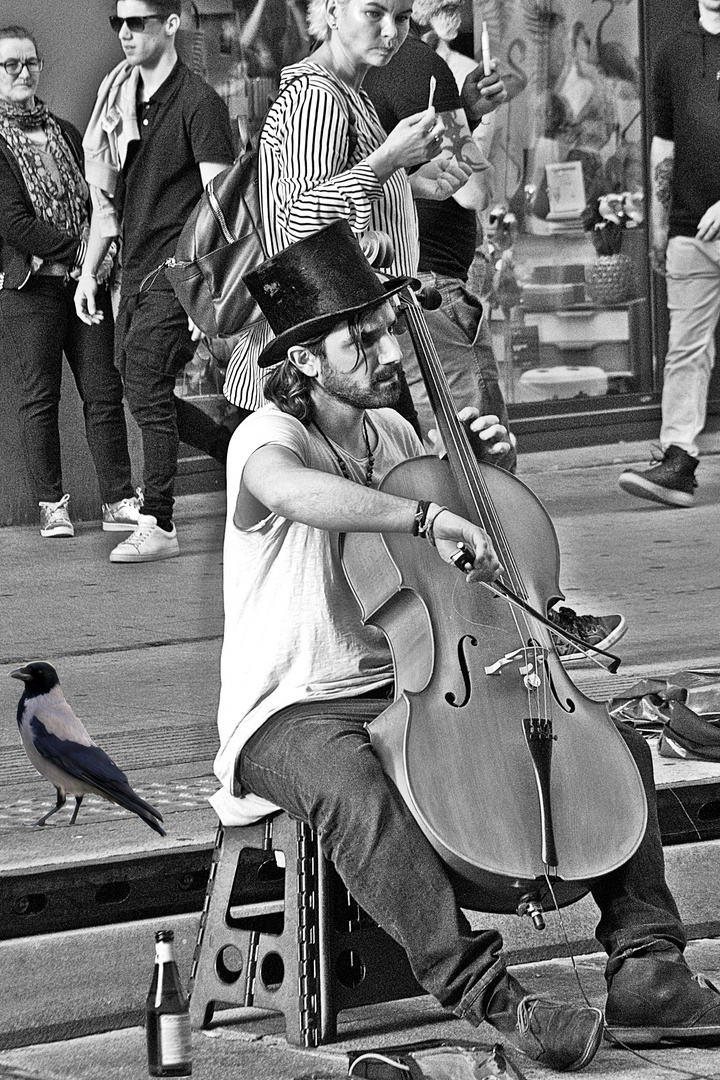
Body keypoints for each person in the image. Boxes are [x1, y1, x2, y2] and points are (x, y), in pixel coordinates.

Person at [211, 221, 720, 1071]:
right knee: (351, 784)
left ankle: (647, 969)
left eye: (385, 331)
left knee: (616, 744)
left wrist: (481, 474)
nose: (384, 351)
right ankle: (495, 997)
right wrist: (422, 511)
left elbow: (458, 581)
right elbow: (292, 493)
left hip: (409, 682)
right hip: (288, 707)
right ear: (303, 361)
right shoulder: (269, 438)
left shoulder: (398, 439)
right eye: (359, 340)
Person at [363, 2, 627, 662]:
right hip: (413, 302)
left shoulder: (392, 75)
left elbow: (451, 183)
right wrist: (426, 154)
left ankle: (500, 620)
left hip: (395, 303)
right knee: (469, 461)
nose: (398, 23)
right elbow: (466, 190)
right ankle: (538, 617)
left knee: (445, 461)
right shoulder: (415, 75)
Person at [221, 0, 471, 430]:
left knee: (399, 472)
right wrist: (387, 161)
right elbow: (300, 218)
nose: (392, 32)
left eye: (403, 17)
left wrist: (405, 185)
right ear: (334, 12)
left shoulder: (347, 90)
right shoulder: (319, 97)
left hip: (351, 342)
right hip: (330, 356)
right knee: (393, 480)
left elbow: (329, 188)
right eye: (374, 14)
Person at [75, 0, 235, 563]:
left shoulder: (199, 103)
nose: (124, 32)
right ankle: (237, 448)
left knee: (144, 380)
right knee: (140, 385)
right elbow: (107, 205)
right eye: (117, 22)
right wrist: (90, 271)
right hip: (134, 270)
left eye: (137, 21)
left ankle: (159, 519)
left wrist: (202, 292)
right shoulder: (120, 100)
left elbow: (222, 204)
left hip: (177, 268)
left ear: (170, 24)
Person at [0, 24, 140, 540]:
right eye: (9, 64)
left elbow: (94, 201)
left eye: (30, 62)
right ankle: (50, 505)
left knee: (104, 392)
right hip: (29, 290)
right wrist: (84, 250)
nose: (22, 72)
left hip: (86, 284)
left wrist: (95, 256)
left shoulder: (62, 131)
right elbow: (13, 223)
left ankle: (120, 500)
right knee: (40, 400)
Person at [618, 0, 720, 508]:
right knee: (686, 348)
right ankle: (679, 460)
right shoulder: (674, 51)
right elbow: (664, 143)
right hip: (689, 230)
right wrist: (659, 228)